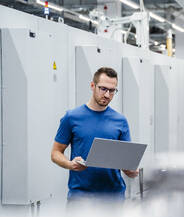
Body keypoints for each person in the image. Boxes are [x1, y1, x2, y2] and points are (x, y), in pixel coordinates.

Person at [51, 67, 138, 205]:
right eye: (103, 89)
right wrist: (70, 164)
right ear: (92, 86)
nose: (107, 95)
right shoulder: (72, 117)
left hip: (113, 197)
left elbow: (126, 162)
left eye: (112, 90)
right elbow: (55, 153)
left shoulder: (120, 121)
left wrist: (131, 171)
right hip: (80, 197)